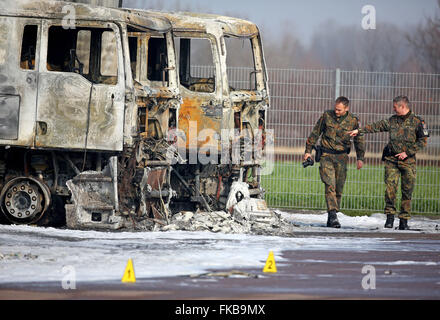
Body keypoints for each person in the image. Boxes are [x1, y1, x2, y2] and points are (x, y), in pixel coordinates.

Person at [349, 96, 428, 230]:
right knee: (390, 190)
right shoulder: (392, 121)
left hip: (408, 162)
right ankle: (390, 218)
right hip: (391, 160)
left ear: (402, 106)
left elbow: (423, 141)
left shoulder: (418, 121)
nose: (393, 109)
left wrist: (407, 153)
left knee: (407, 191)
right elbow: (376, 126)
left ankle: (404, 221)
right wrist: (359, 131)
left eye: (395, 107)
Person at [304, 96, 365, 228]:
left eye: (339, 110)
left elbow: (359, 140)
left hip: (342, 157)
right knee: (329, 184)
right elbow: (315, 133)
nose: (336, 112)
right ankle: (332, 215)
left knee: (339, 187)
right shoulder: (327, 116)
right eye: (335, 109)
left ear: (346, 108)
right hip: (326, 155)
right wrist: (308, 151)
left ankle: (333, 215)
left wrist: (360, 158)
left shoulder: (353, 120)